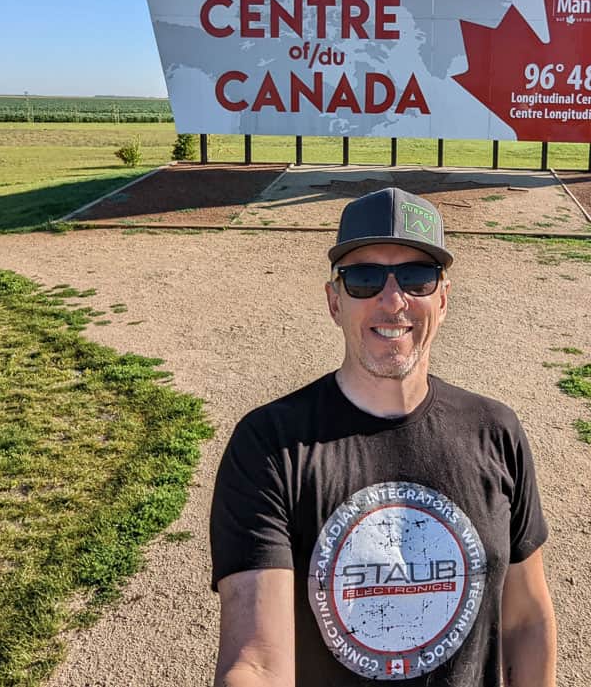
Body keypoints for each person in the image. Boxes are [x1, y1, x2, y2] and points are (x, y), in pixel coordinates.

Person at [210, 187, 557, 686]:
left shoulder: (495, 431)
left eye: (417, 278)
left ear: (443, 298)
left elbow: (526, 620)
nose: (393, 300)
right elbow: (257, 661)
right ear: (334, 301)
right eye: (364, 278)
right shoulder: (271, 446)